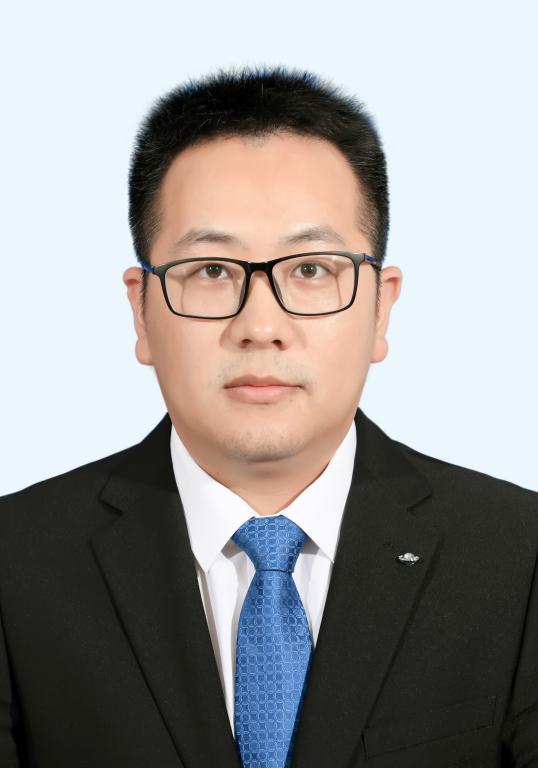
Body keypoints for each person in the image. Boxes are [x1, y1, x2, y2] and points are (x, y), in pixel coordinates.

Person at [0, 65, 536, 768]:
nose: (260, 327)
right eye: (211, 271)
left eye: (311, 269)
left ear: (381, 308)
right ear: (141, 310)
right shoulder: (15, 563)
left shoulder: (519, 556)